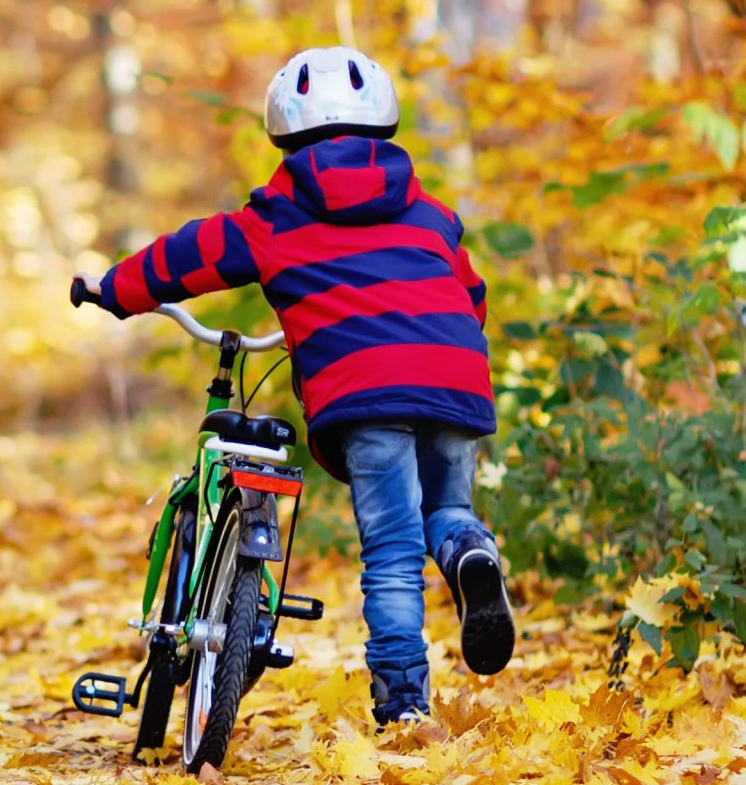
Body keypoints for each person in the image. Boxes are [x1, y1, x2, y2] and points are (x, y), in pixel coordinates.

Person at [79, 47, 514, 726]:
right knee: (446, 511)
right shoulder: (431, 213)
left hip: (365, 390)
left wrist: (116, 289)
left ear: (284, 132)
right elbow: (472, 296)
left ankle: (404, 704)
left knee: (393, 552)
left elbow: (190, 255)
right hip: (453, 375)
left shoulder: (278, 216)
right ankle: (471, 553)